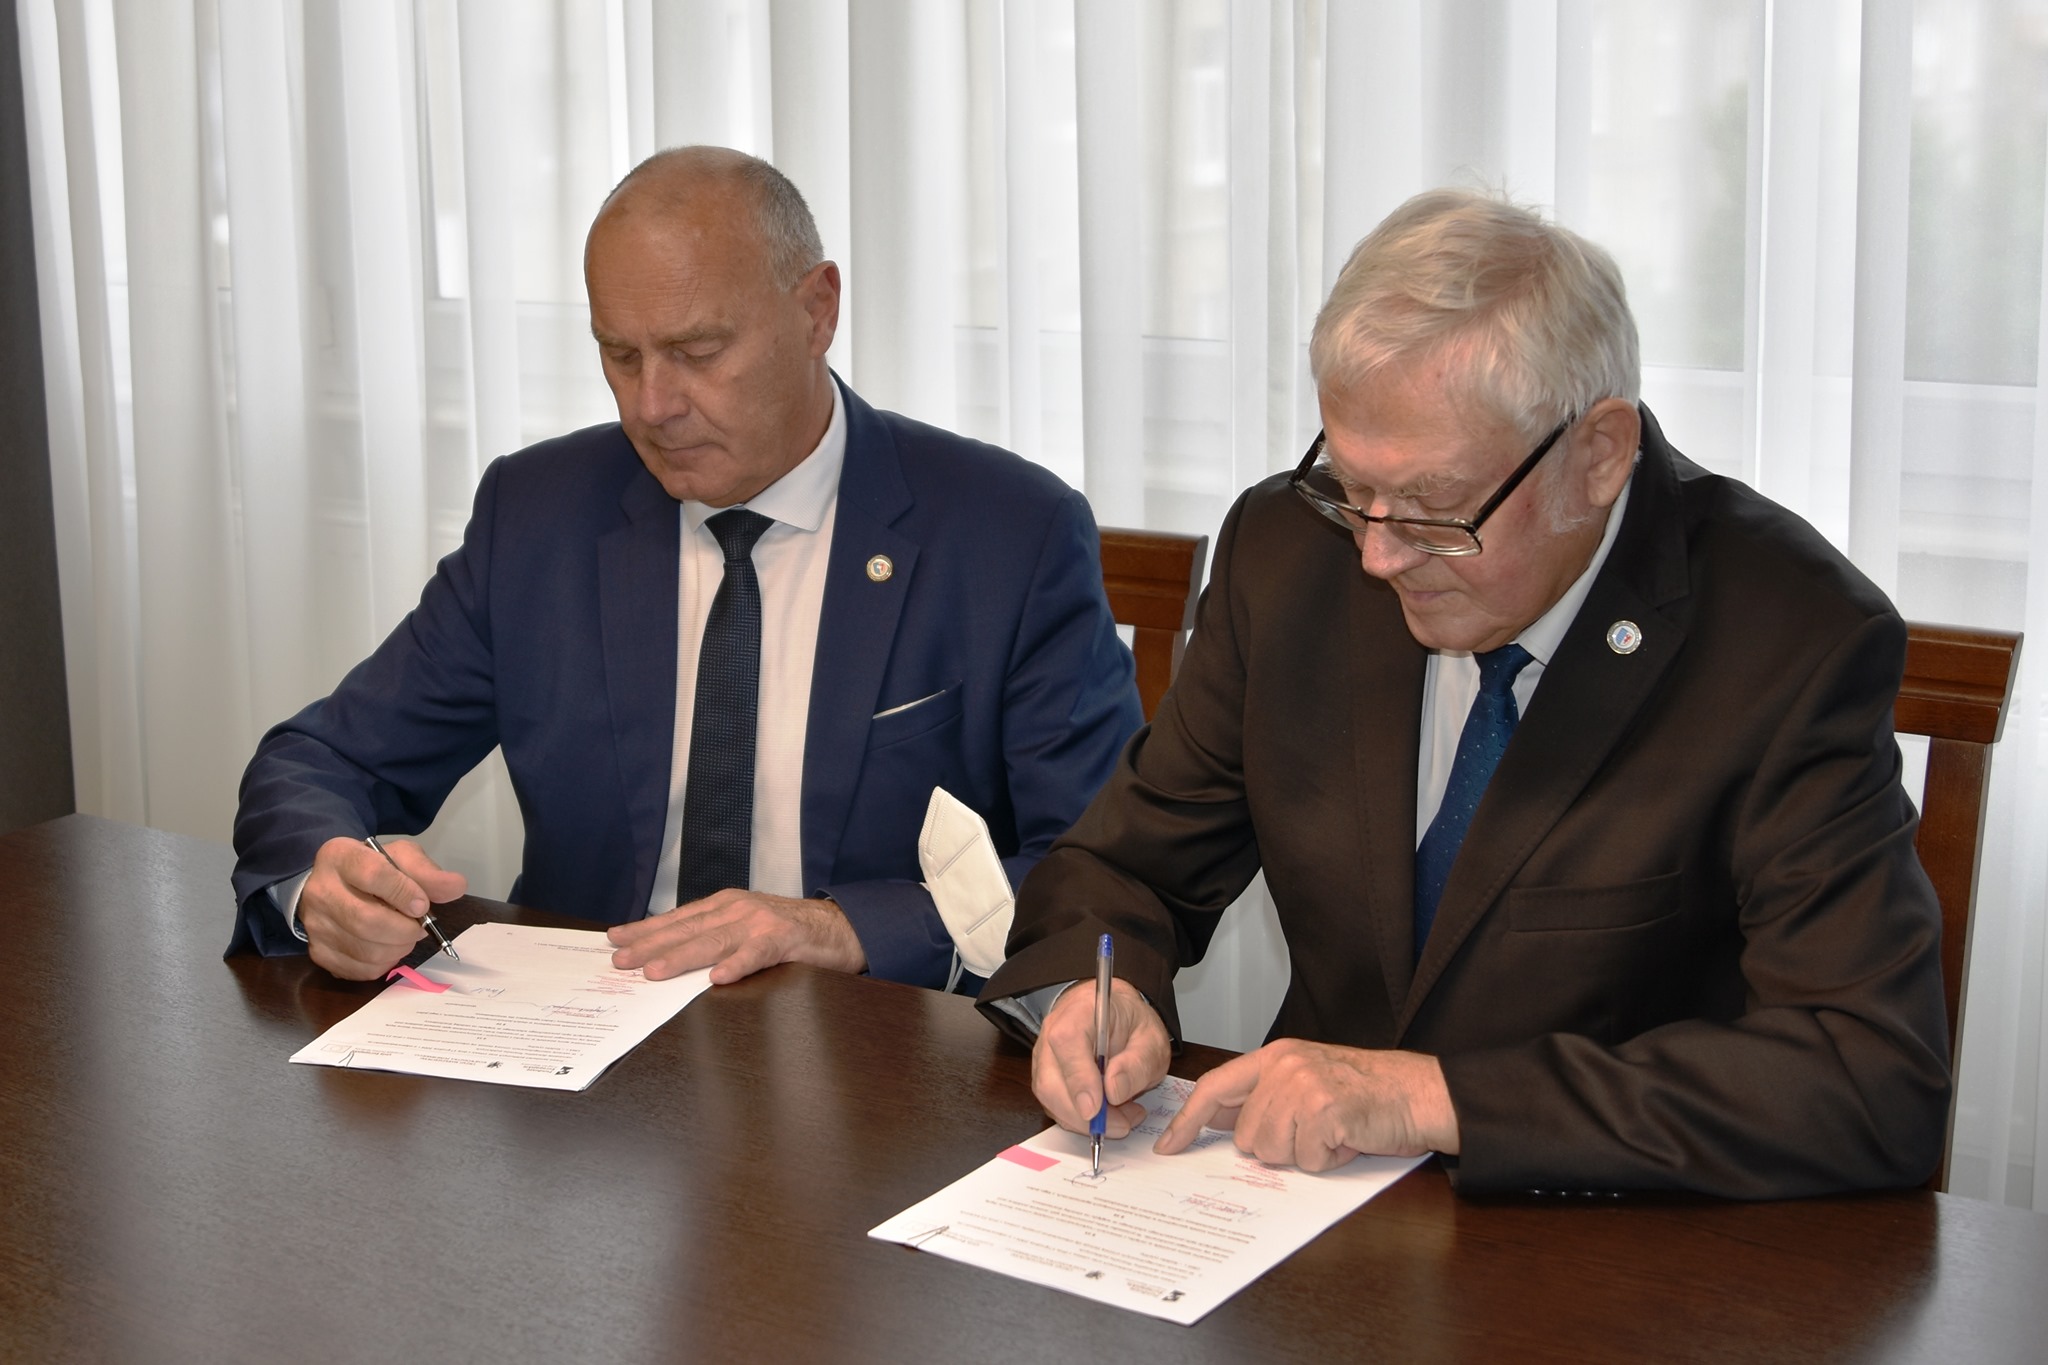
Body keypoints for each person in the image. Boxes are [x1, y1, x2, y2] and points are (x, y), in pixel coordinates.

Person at [980, 188, 1951, 1198]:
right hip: (1292, 1211)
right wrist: (1094, 990)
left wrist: (1436, 1098)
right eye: (1352, 485)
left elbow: (1867, 1071)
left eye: (1436, 506)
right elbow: (1128, 867)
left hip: (1612, 1240)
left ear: (1598, 455)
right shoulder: (1288, 554)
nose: (1378, 553)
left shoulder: (1785, 638)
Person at [229, 146, 1142, 992]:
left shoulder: (1008, 536)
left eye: (698, 353)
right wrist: (323, 881)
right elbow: (317, 761)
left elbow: (1103, 875)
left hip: (869, 1053)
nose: (652, 404)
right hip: (583, 1051)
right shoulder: (541, 514)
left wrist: (845, 926)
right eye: (620, 355)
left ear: (817, 310)